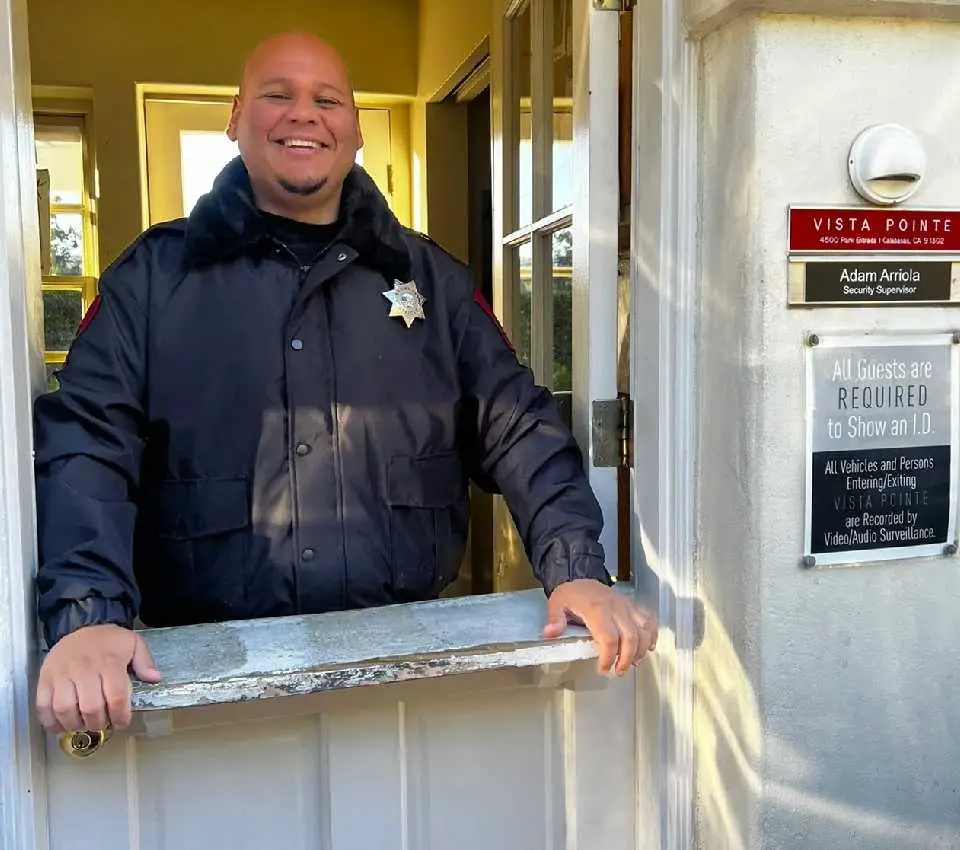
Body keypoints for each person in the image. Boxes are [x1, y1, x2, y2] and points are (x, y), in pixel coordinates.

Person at [33, 32, 657, 735]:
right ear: (236, 118)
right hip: (202, 691)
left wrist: (575, 568)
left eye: (327, 99)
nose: (304, 114)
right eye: (278, 94)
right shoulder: (150, 281)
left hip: (406, 687)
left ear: (355, 130)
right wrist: (87, 617)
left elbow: (517, 426)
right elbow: (87, 446)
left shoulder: (434, 281)